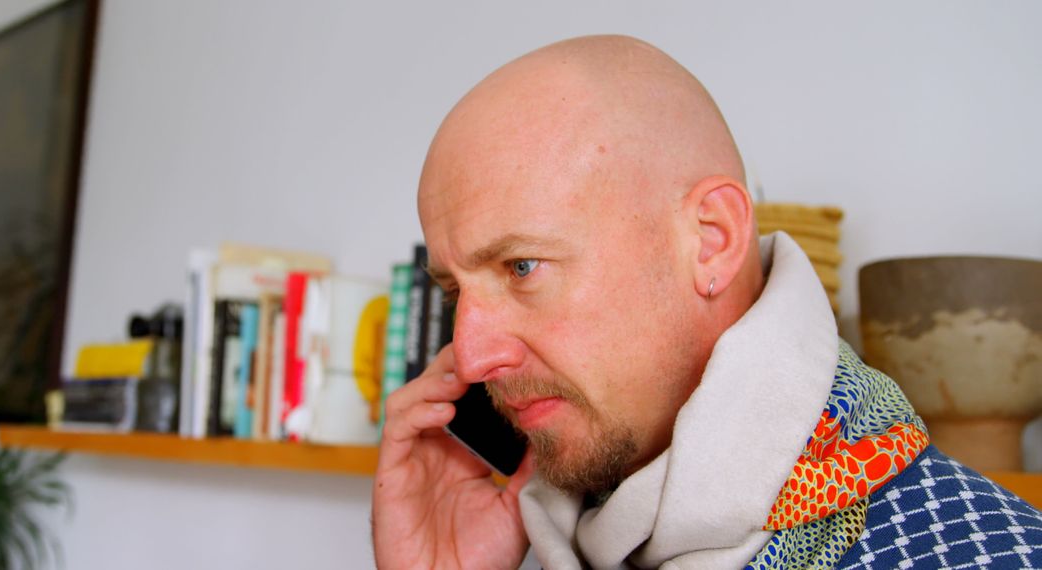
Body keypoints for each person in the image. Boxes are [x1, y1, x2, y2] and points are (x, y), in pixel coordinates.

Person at [371, 35, 1042, 569]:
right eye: (456, 290)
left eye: (522, 266)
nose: (476, 354)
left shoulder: (985, 556)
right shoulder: (552, 531)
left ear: (712, 242)